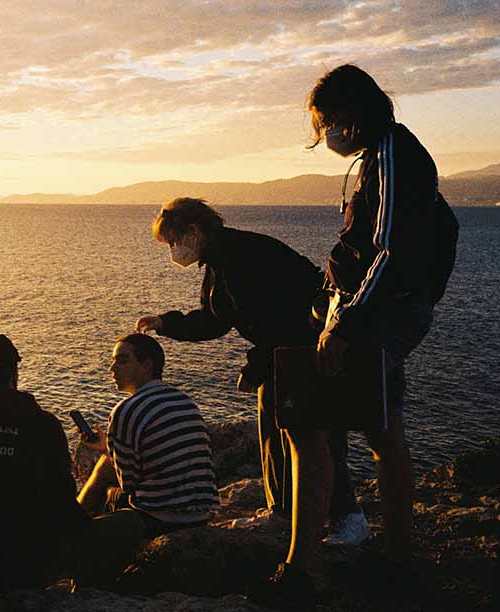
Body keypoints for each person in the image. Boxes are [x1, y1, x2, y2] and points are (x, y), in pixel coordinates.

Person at [257, 64, 457, 608]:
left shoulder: (392, 154)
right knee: (380, 428)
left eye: (325, 123)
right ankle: (394, 554)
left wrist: (342, 321)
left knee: (306, 422)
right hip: (378, 312)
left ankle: (308, 569)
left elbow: (386, 249)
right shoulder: (383, 155)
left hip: (376, 316)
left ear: (349, 112)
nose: (325, 135)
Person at [135, 197, 368, 545]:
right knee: (275, 434)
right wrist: (166, 323)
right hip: (279, 355)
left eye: (173, 241)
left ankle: (347, 518)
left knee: (317, 437)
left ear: (194, 231)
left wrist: (280, 358)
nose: (173, 250)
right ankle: (284, 512)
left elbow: (275, 309)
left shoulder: (240, 256)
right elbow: (216, 318)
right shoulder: (220, 260)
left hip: (301, 351)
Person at [0, 333, 144, 595]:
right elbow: (62, 506)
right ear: (13, 374)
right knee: (129, 523)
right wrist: (87, 530)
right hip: (22, 572)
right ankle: (86, 590)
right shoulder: (39, 423)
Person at [79, 333, 220, 536]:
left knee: (103, 468)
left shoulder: (126, 410)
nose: (112, 369)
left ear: (146, 366)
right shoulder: (185, 401)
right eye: (113, 361)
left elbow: (128, 484)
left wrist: (110, 455)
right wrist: (107, 447)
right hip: (200, 515)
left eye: (122, 360)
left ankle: (72, 527)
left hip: (156, 517)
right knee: (108, 458)